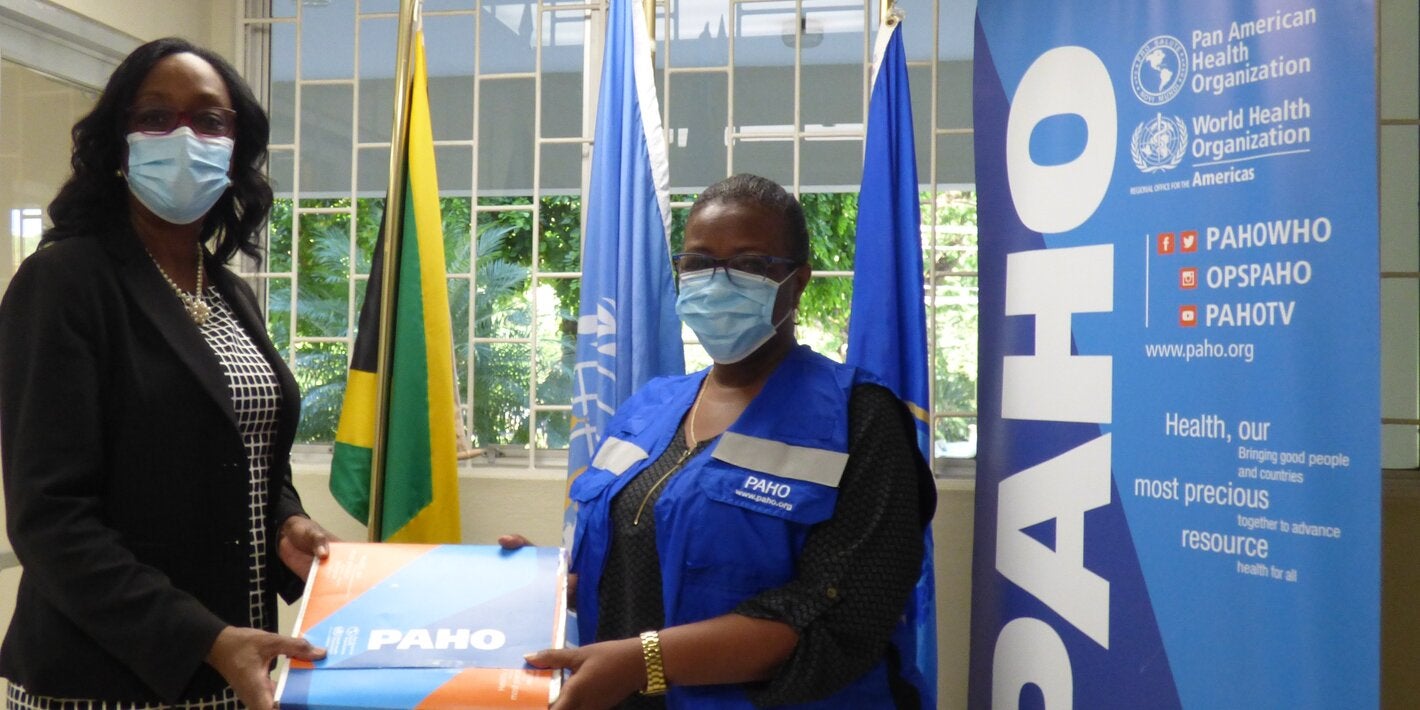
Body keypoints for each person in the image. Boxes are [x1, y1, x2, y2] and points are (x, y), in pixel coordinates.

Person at [0, 38, 332, 710]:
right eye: (156, 117)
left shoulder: (229, 291)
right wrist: (202, 638)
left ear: (236, 146)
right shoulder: (64, 282)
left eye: (210, 120)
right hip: (105, 680)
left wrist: (286, 523)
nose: (185, 136)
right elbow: (50, 520)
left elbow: (236, 452)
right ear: (120, 143)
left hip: (235, 668)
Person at [519, 174, 936, 709]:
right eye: (697, 262)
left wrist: (641, 662)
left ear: (799, 281)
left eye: (750, 263)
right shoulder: (648, 407)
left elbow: (842, 612)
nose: (718, 282)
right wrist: (535, 585)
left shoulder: (859, 418)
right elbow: (631, 560)